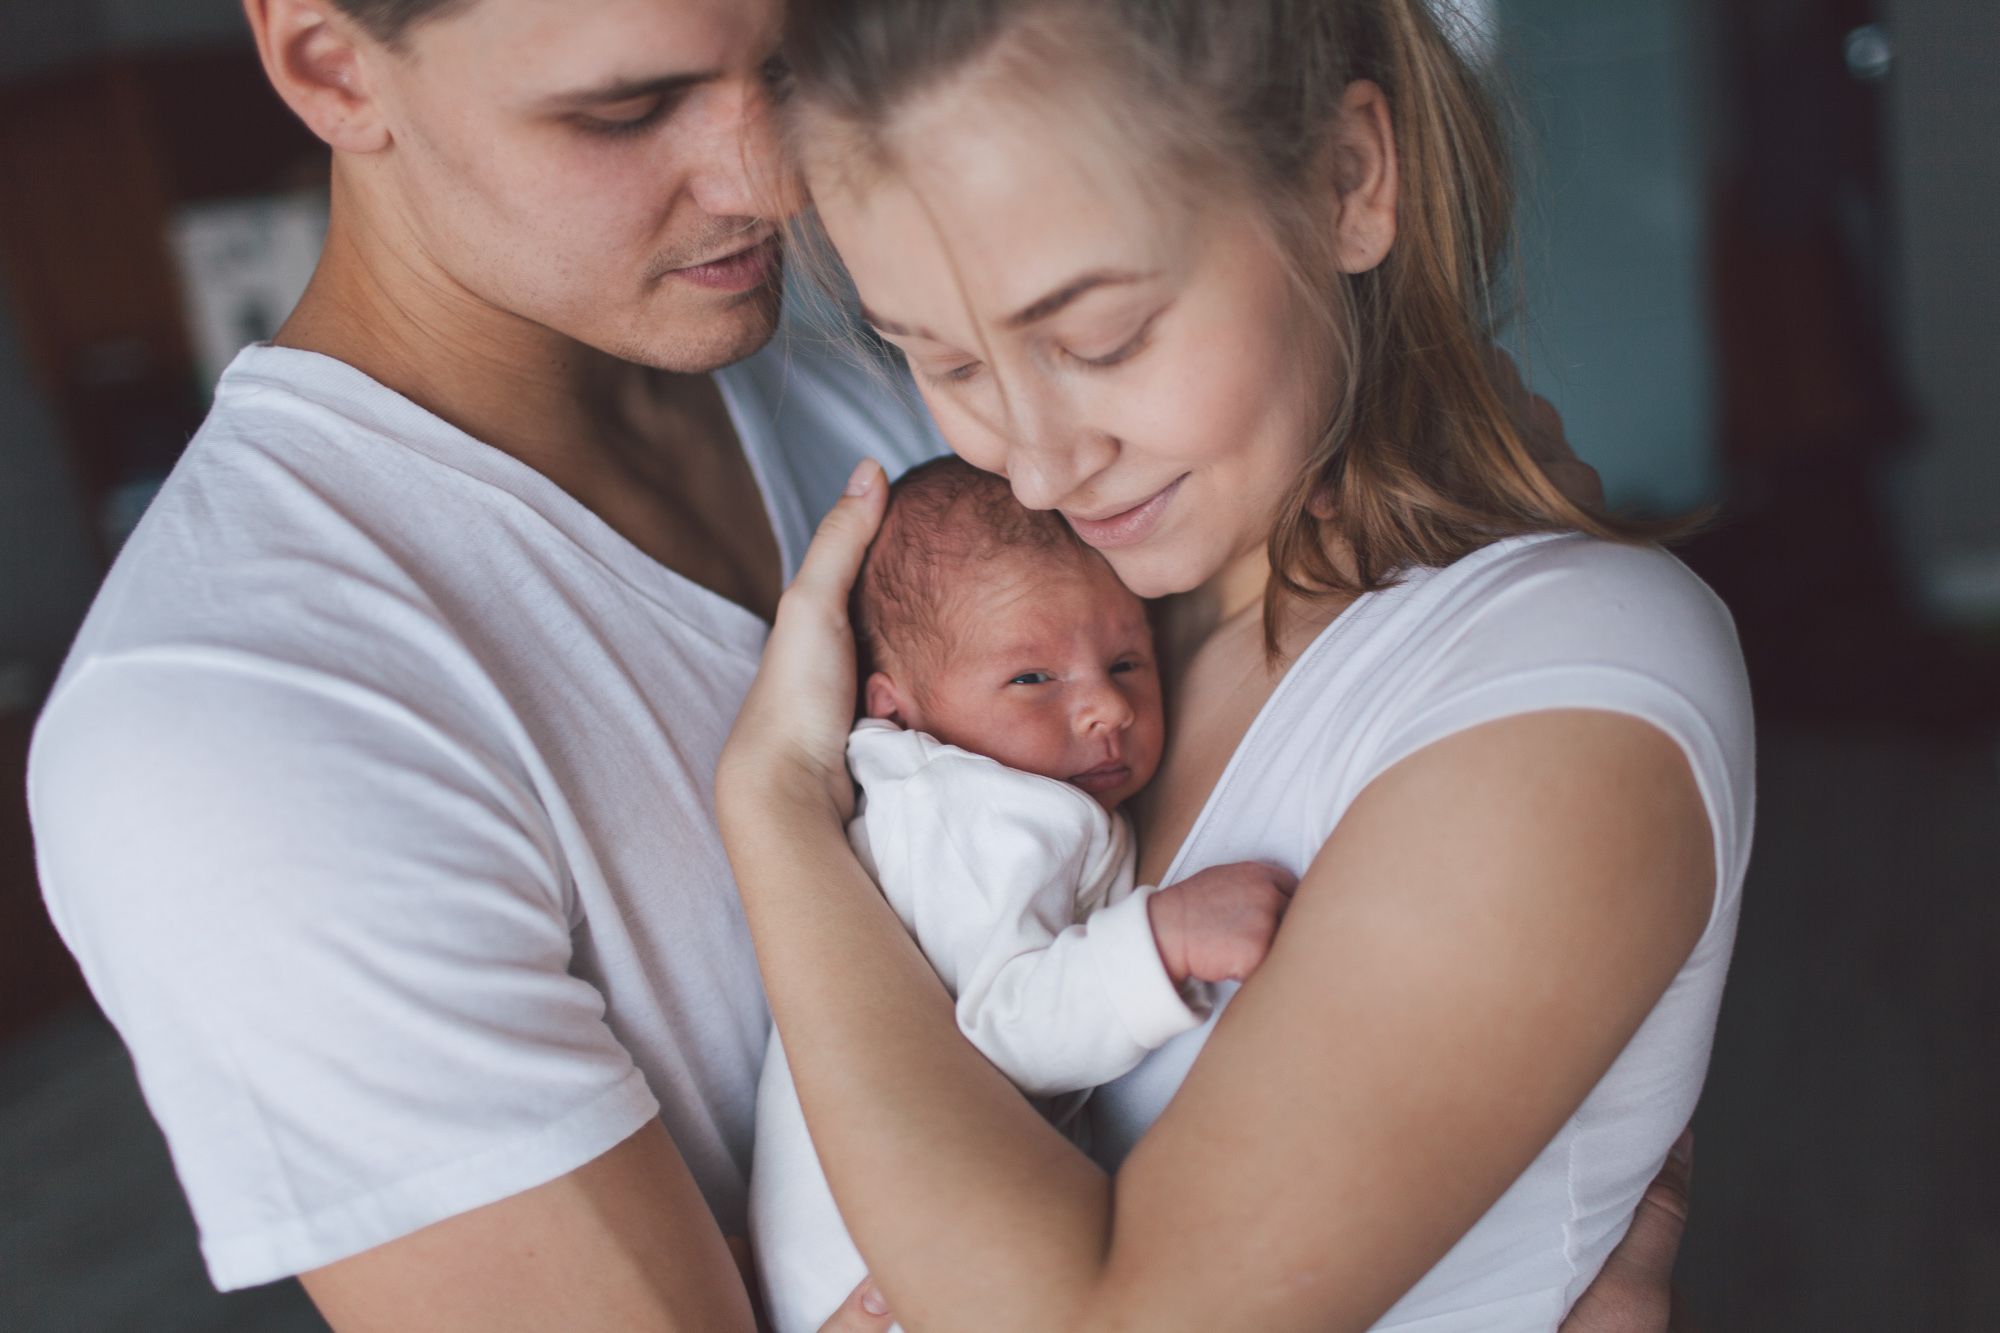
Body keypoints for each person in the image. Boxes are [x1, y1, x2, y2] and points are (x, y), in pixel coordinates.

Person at [25, 0, 1686, 1327]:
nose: (768, 177)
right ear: (327, 59)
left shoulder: (912, 408)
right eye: (630, 104)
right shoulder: (230, 732)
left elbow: (1443, 613)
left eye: (794, 58)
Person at [717, 0, 1751, 1330]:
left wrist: (777, 821)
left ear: (1348, 180)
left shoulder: (1566, 665)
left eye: (1101, 341)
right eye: (951, 364)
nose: (1038, 464)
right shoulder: (1117, 636)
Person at [751, 457, 1294, 1332]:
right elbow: (1001, 1030)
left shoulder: (998, 790)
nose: (1104, 709)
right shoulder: (973, 809)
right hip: (888, 1277)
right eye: (1033, 679)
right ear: (897, 711)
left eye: (1126, 660)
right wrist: (1160, 940)